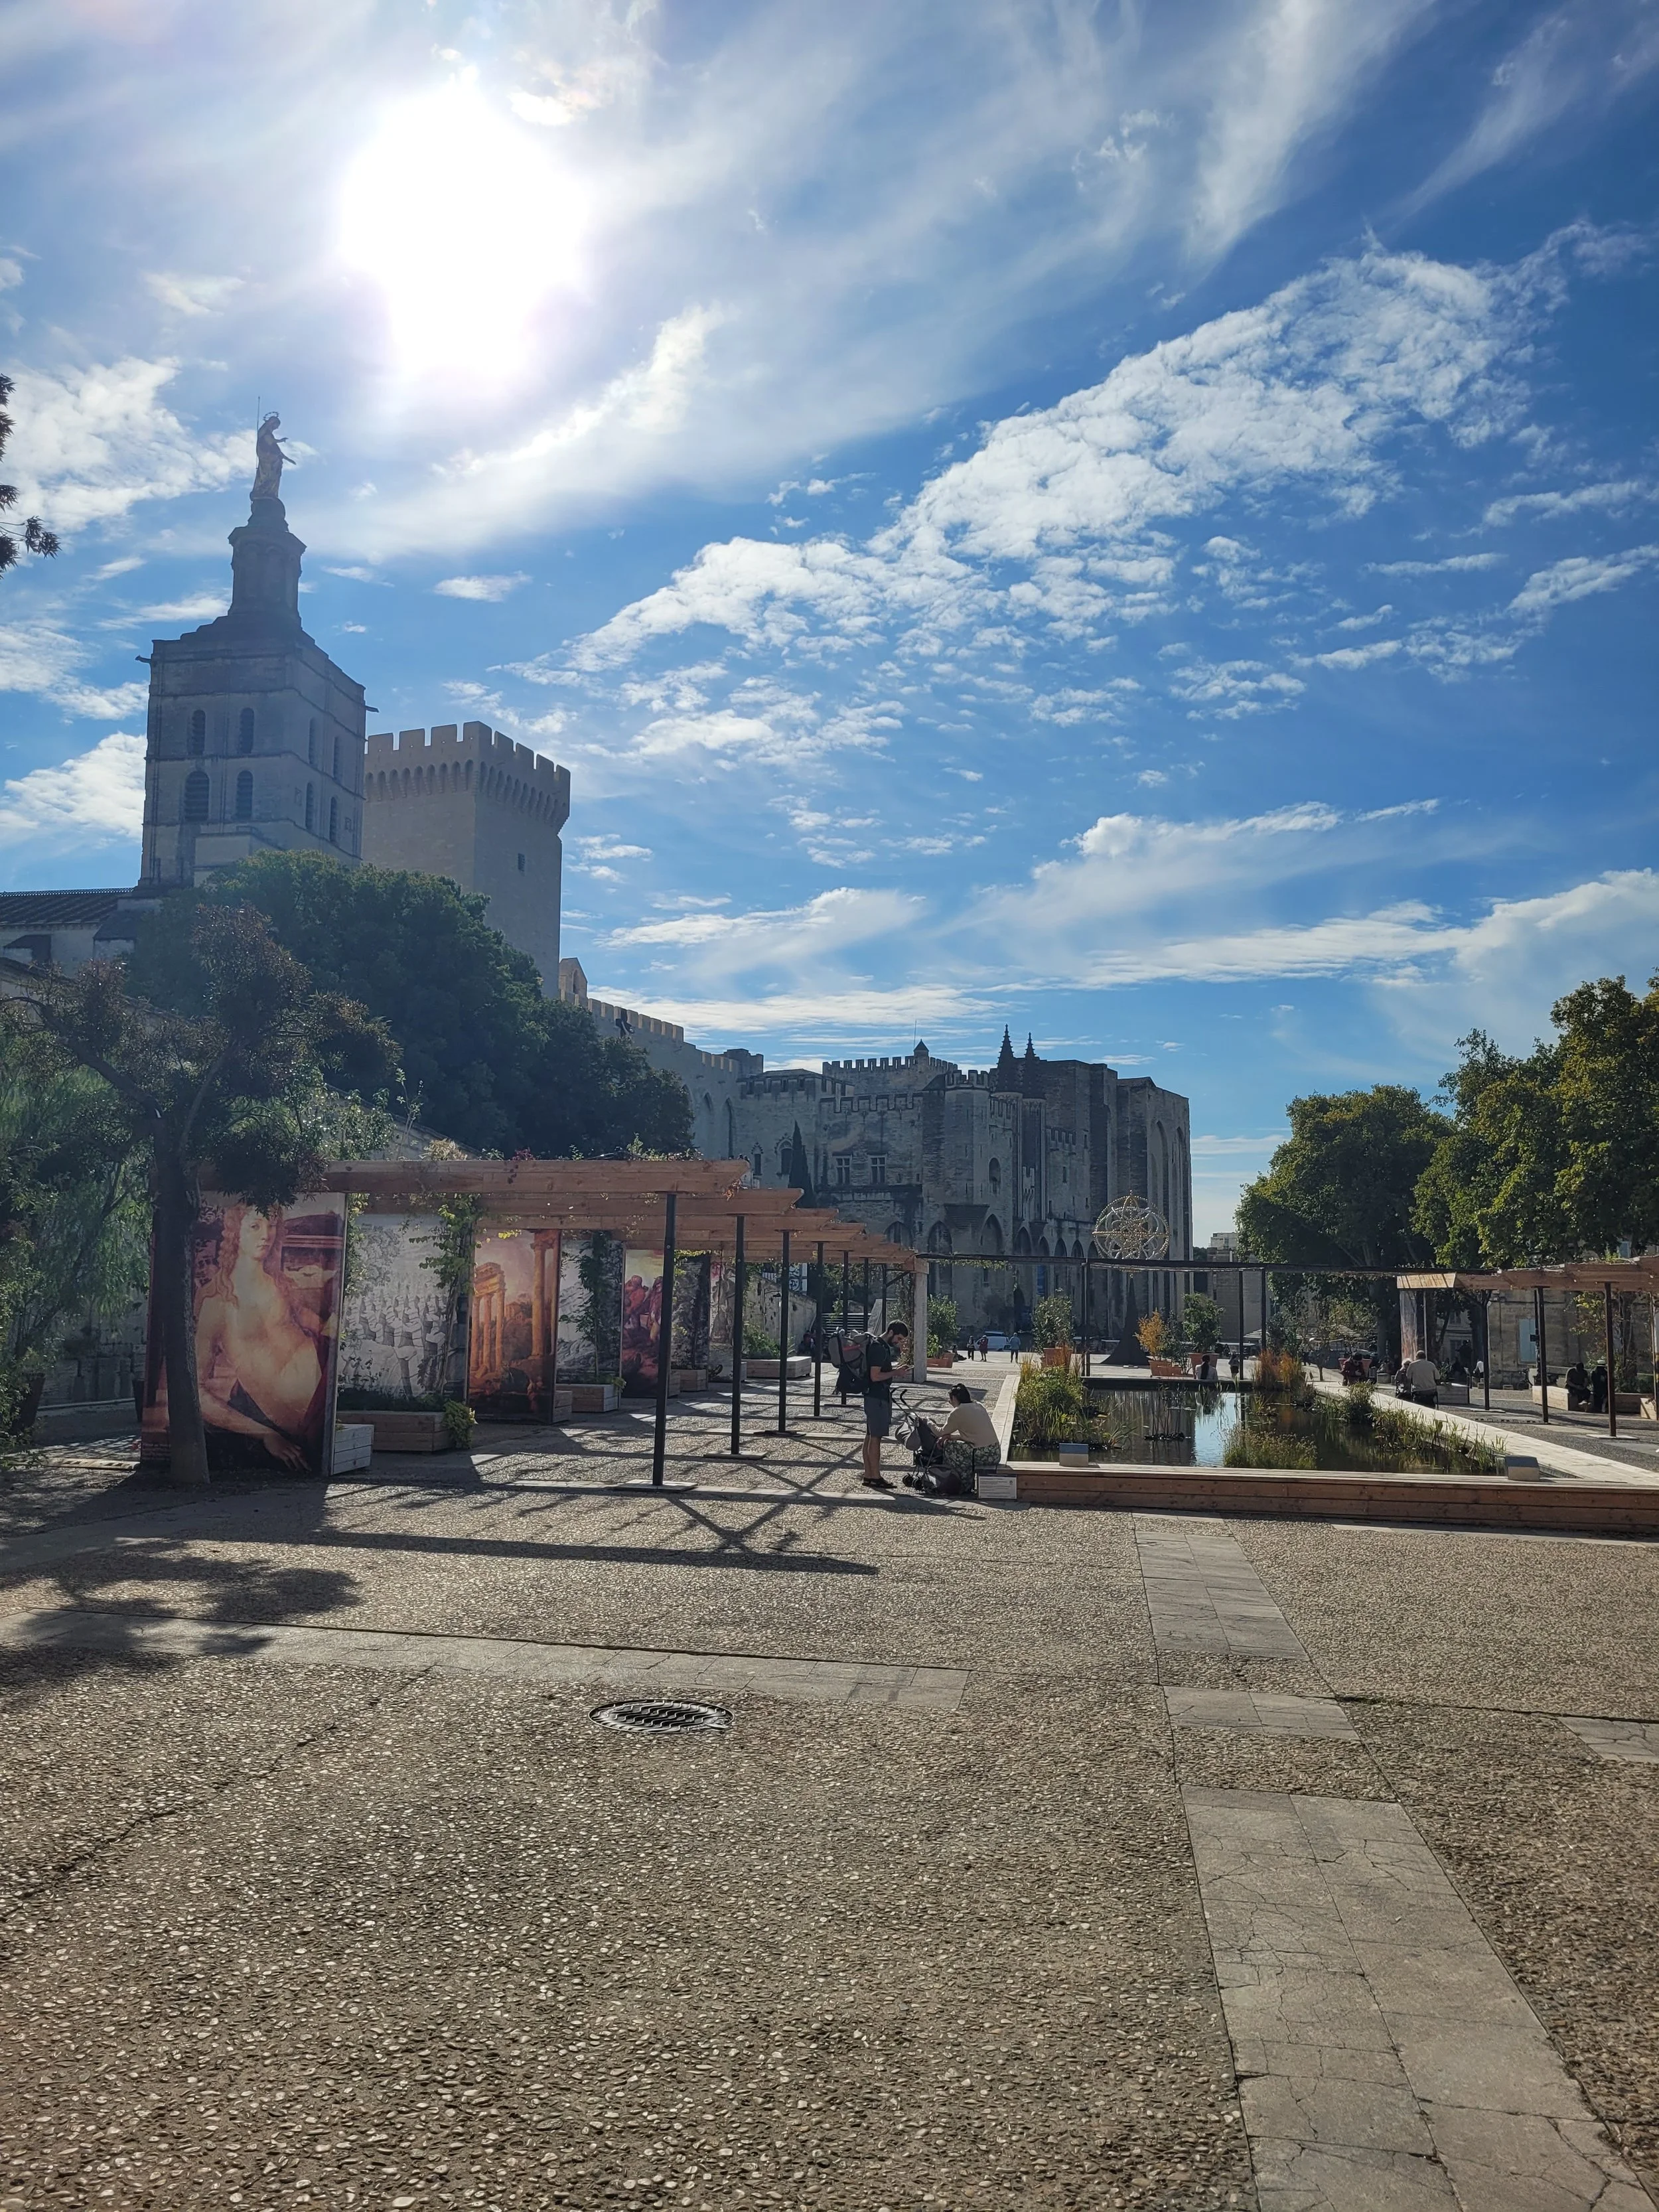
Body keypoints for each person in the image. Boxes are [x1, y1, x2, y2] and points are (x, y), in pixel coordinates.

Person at [860, 1322, 909, 1489]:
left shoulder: (877, 1345)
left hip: (874, 1396)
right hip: (877, 1397)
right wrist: (896, 1373)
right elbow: (875, 1376)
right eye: (898, 1338)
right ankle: (875, 1477)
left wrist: (895, 1371)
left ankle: (868, 1475)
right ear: (890, 1332)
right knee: (876, 1438)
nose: (898, 1342)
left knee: (870, 1436)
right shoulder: (878, 1348)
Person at [941, 1382, 999, 1457]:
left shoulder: (958, 1411)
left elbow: (941, 1432)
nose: (950, 1403)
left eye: (950, 1401)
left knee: (949, 1445)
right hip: (996, 1452)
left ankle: (959, 1467)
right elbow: (970, 1437)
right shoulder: (979, 1405)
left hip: (983, 1454)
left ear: (954, 1399)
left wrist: (928, 1422)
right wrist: (950, 1436)